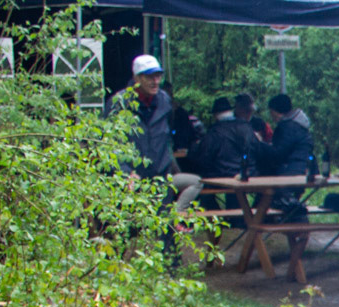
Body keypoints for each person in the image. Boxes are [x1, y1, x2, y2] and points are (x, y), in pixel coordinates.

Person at [107, 54, 201, 216]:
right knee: (132, 232)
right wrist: (124, 173)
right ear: (137, 78)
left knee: (164, 232)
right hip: (132, 180)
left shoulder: (164, 101)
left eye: (158, 76)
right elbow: (109, 143)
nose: (155, 81)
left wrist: (170, 170)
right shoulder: (119, 103)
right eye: (150, 77)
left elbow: (166, 138)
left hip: (160, 177)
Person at [255, 92, 314, 222]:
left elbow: (278, 154)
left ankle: (259, 220)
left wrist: (260, 143)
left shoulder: (286, 127)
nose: (271, 115)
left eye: (272, 112)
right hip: (303, 169)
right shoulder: (300, 125)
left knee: (264, 190)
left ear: (277, 111)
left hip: (290, 172)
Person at [189, 96, 255, 183]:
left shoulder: (214, 132)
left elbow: (204, 157)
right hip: (247, 173)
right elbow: (256, 149)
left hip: (222, 174)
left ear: (215, 115)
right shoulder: (246, 127)